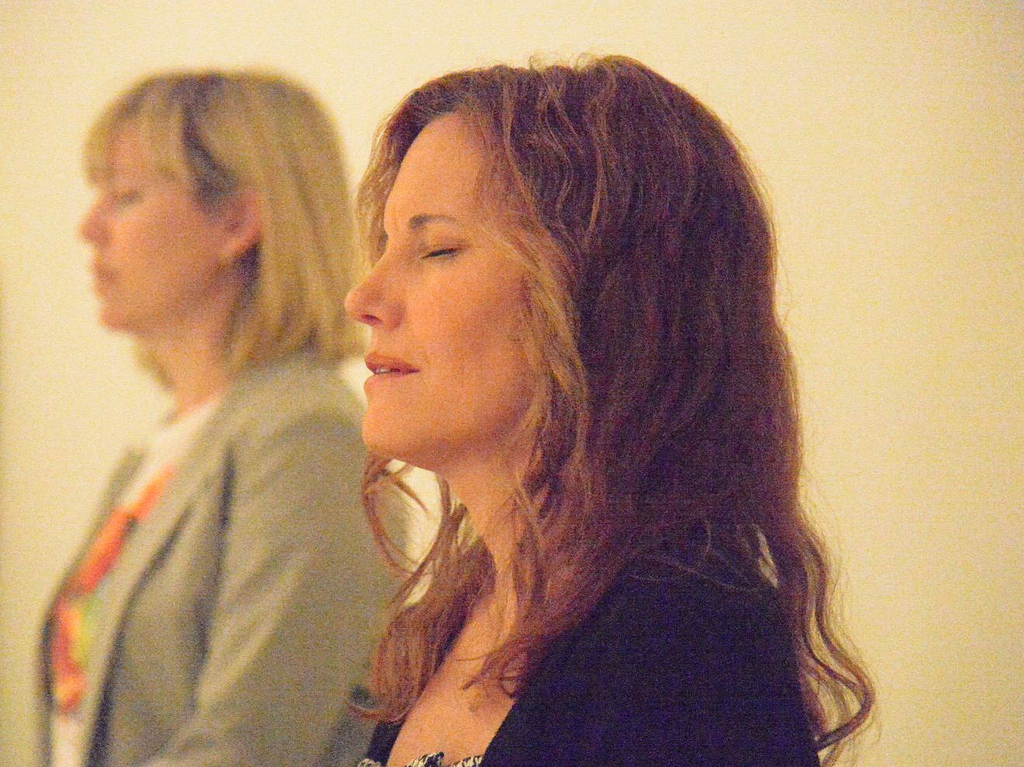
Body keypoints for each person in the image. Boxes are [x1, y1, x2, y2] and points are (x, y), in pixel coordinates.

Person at [344, 56, 874, 767]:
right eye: (384, 245)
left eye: (436, 248)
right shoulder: (449, 623)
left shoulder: (687, 649)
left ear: (600, 301)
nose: (364, 298)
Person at [38, 70, 389, 767]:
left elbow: (251, 744)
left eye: (125, 195)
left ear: (235, 222)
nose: (89, 227)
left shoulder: (307, 435)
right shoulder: (160, 452)